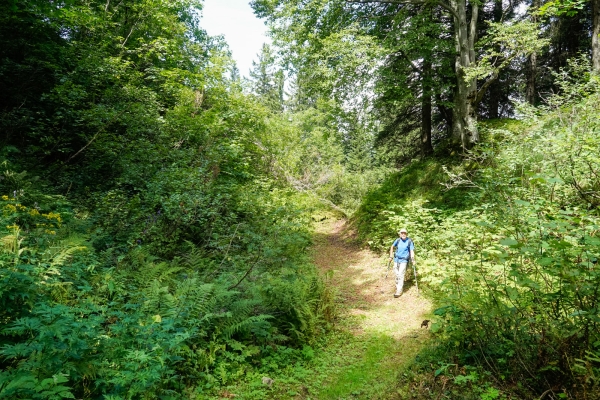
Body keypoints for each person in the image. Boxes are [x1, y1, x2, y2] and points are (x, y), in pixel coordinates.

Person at [389, 228, 415, 298]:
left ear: (406, 234)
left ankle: (399, 290)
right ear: (400, 234)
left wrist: (413, 259)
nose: (403, 234)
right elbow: (392, 246)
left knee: (400, 274)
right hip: (396, 259)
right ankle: (398, 286)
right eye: (402, 233)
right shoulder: (397, 240)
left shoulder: (409, 241)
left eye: (405, 233)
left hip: (404, 260)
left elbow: (412, 250)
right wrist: (391, 255)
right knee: (397, 274)